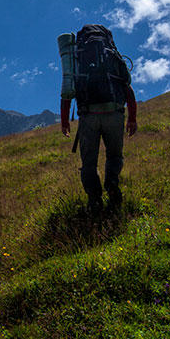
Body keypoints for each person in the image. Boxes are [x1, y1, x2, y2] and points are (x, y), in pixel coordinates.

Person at [60, 26, 137, 215]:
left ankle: (94, 200)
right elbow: (128, 88)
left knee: (89, 163)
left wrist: (64, 122)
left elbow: (67, 92)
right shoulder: (113, 57)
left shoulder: (77, 58)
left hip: (88, 117)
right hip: (114, 113)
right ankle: (111, 183)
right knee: (114, 156)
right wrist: (132, 118)